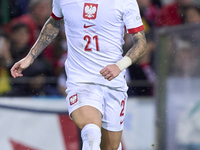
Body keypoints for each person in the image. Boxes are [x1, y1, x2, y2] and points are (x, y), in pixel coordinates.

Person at [10, 0, 147, 149]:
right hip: (81, 80)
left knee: (110, 147)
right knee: (91, 133)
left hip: (113, 82)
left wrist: (119, 66)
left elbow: (140, 43)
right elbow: (54, 22)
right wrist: (30, 57)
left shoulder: (124, 2)